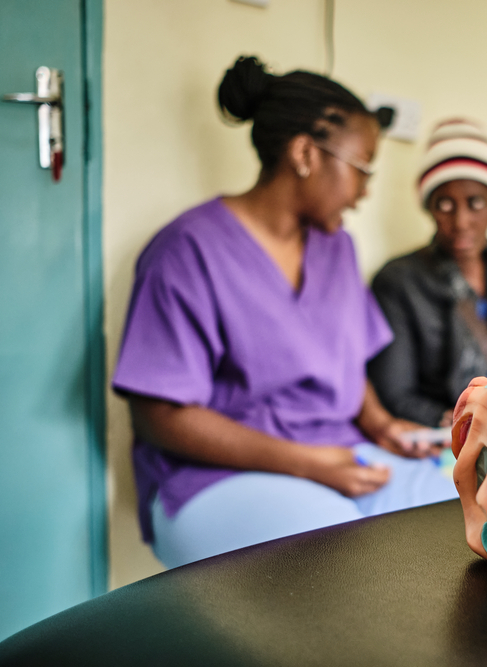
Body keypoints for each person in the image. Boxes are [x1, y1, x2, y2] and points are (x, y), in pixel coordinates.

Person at [112, 56, 457, 569]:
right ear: (304, 154)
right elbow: (160, 417)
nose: (365, 191)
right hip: (217, 477)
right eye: (361, 168)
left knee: (467, 501)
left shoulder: (336, 248)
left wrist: (382, 424)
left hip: (338, 454)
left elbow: (345, 357)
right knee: (348, 562)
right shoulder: (187, 251)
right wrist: (306, 465)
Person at [368, 119, 487, 429]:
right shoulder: (398, 281)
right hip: (443, 435)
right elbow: (396, 394)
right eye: (445, 204)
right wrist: (466, 427)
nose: (461, 221)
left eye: (475, 203)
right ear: (429, 208)